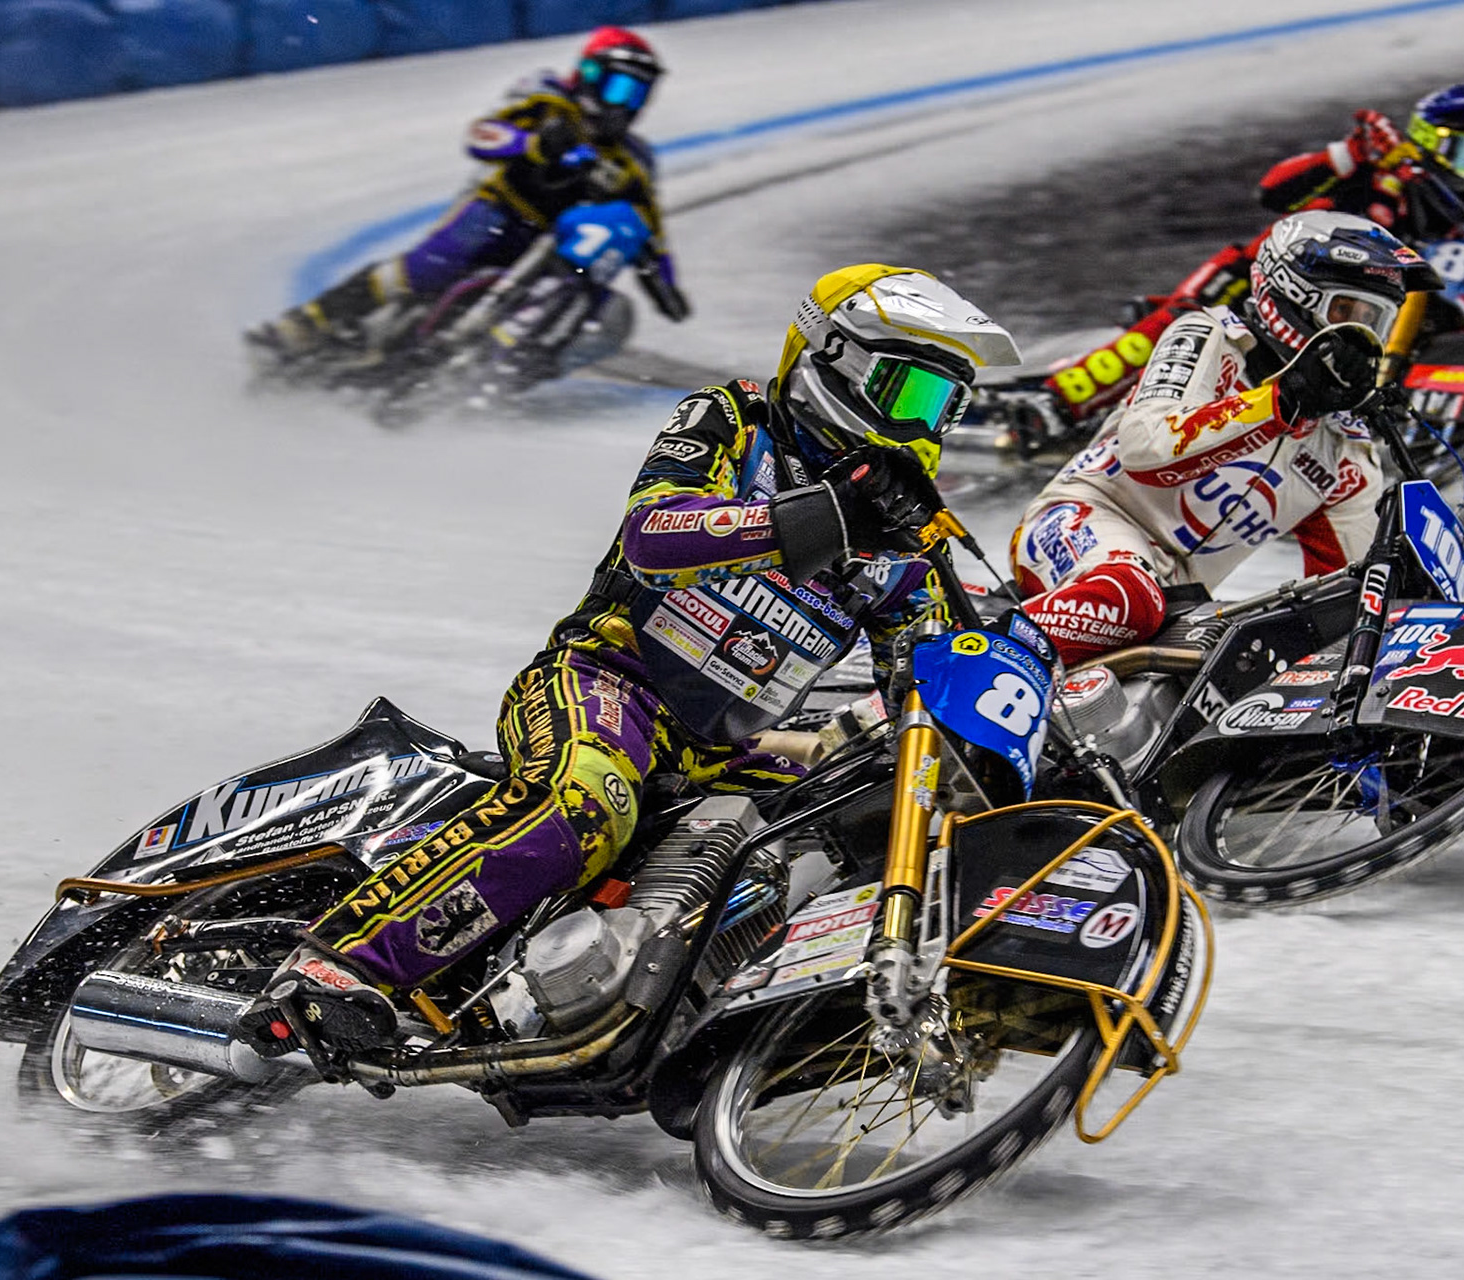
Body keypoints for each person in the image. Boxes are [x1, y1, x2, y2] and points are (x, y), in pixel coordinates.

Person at [238, 265, 1019, 1058]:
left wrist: (1012, 653)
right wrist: (822, 518)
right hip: (606, 680)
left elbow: (924, 671)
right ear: (834, 356)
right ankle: (333, 964)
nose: (924, 426)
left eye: (945, 406)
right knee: (591, 799)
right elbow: (656, 534)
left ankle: (710, 1044)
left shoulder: (902, 540)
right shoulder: (734, 421)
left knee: (831, 836)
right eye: (910, 393)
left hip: (726, 752)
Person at [1009, 211, 1440, 666]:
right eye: (1346, 313)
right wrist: (1282, 401)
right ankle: (972, 649)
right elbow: (1146, 452)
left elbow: (1352, 591)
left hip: (1178, 598)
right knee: (1128, 599)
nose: (1361, 338)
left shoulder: (1344, 447)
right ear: (1293, 293)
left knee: (1250, 664)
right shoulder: (1211, 337)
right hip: (1083, 517)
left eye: (1376, 322)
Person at [1018, 82, 1464, 437]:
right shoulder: (1377, 175)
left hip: (1326, 321)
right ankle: (1057, 402)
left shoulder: (1460, 241)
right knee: (1186, 324)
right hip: (1255, 282)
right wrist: (1349, 154)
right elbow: (1273, 190)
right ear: (1430, 142)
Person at [245, 26, 687, 369]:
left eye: (639, 93)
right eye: (619, 88)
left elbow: (650, 220)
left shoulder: (634, 159)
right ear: (589, 74)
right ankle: (302, 326)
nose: (626, 105)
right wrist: (535, 145)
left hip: (561, 246)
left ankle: (517, 370)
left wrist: (662, 280)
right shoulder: (548, 100)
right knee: (425, 268)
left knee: (604, 313)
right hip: (502, 211)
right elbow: (484, 135)